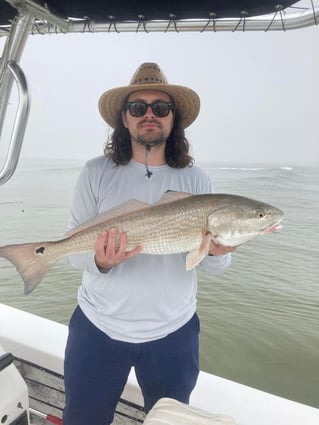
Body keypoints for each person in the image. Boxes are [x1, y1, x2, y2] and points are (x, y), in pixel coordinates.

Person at [62, 62, 235, 425]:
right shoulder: (96, 172)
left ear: (174, 119)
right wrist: (101, 262)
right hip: (97, 329)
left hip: (173, 335)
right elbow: (70, 251)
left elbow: (213, 265)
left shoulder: (196, 179)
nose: (149, 115)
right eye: (137, 108)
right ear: (124, 119)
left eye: (161, 107)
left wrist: (218, 253)